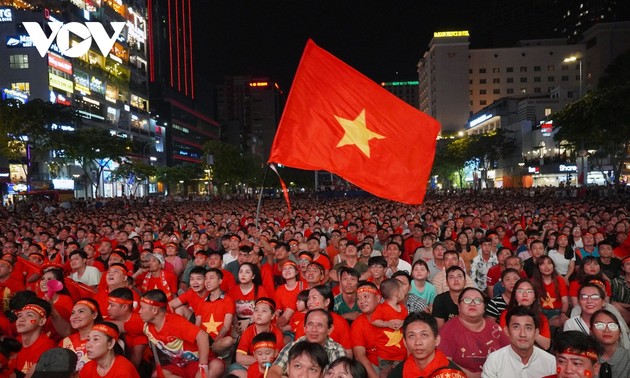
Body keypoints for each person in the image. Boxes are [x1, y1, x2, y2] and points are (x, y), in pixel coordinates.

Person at [139, 289, 223, 378]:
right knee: (156, 375)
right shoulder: (145, 324)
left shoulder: (174, 322)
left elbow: (202, 336)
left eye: (142, 308)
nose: (139, 311)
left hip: (197, 362)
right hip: (178, 366)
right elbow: (124, 322)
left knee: (217, 366)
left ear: (154, 310)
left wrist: (203, 367)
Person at [439, 287, 509, 378]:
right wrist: (470, 375)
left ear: (484, 307)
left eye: (478, 300)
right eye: (467, 300)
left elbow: (510, 354)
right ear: (459, 307)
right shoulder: (448, 330)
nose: (472, 303)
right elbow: (443, 362)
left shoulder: (494, 327)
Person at [481, 306, 556, 377]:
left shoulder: (550, 362)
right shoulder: (494, 360)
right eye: (516, 327)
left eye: (528, 328)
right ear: (507, 331)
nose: (522, 334)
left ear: (536, 332)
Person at [267, 309, 344, 378]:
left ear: (329, 329)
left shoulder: (336, 350)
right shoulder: (293, 346)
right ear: (304, 328)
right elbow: (273, 372)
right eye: (310, 324)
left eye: (319, 325)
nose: (314, 329)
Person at [387, 312, 464, 378]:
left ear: (437, 340)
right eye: (411, 336)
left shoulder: (453, 374)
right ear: (405, 342)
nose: (418, 342)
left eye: (424, 335)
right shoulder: (397, 373)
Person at [499, 278, 552, 350]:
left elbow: (546, 345)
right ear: (514, 295)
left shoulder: (541, 317)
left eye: (529, 291)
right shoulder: (506, 314)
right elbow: (506, 341)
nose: (524, 294)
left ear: (535, 297)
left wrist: (530, 330)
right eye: (520, 291)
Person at [370, 278, 408, 378]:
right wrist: (387, 324)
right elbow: (373, 320)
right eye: (402, 290)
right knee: (385, 373)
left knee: (398, 373)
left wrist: (403, 323)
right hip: (384, 351)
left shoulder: (403, 308)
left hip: (400, 351)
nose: (405, 292)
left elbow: (408, 322)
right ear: (397, 293)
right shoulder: (381, 308)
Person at [10, 298, 56, 376]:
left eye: (29, 315)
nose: (21, 319)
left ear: (42, 321)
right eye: (20, 315)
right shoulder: (14, 343)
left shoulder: (47, 346)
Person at [59, 298, 103, 372]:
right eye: (73, 313)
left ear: (94, 315)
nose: (75, 316)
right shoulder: (66, 341)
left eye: (81, 311)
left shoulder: (102, 340)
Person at [351, 282, 381, 378]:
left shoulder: (392, 314)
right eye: (358, 298)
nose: (362, 301)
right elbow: (360, 356)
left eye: (366, 296)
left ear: (378, 298)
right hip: (373, 366)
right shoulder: (357, 324)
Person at [589, 309, 630, 378]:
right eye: (600, 325)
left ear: (619, 332)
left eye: (612, 326)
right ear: (591, 331)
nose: (607, 330)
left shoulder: (628, 357)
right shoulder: (585, 357)